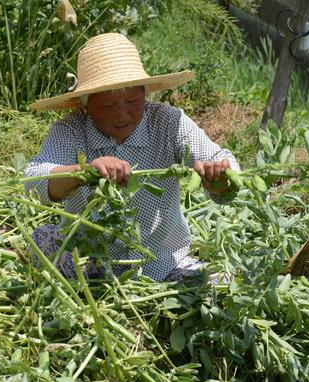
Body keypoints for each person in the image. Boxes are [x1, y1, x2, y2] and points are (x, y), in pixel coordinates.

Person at [24, 32, 240, 282]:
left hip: (160, 261)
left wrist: (221, 179)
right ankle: (97, 292)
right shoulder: (71, 130)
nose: (122, 115)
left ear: (145, 93)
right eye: (107, 107)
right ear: (84, 104)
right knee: (40, 241)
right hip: (88, 260)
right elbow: (33, 182)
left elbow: (219, 157)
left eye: (133, 101)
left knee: (217, 284)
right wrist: (84, 172)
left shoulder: (168, 122)